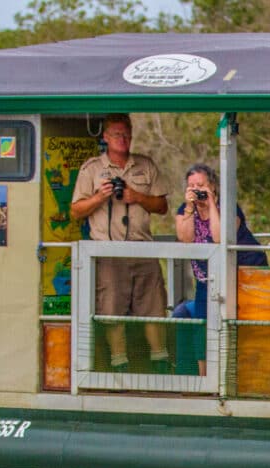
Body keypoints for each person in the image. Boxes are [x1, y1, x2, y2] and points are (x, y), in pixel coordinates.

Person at [70, 113, 171, 370]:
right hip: (108, 251)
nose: (123, 139)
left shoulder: (145, 165)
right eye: (117, 134)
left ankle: (159, 360)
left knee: (153, 306)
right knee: (111, 307)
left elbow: (162, 206)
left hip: (142, 249)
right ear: (105, 137)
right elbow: (76, 211)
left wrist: (136, 196)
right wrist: (99, 197)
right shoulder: (91, 168)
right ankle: (118, 363)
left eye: (126, 134)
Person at [170, 162, 266, 375]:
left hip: (242, 274)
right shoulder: (185, 210)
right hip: (207, 278)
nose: (197, 189)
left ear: (212, 186)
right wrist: (188, 207)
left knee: (236, 322)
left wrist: (211, 203)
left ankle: (237, 374)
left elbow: (220, 237)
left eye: (201, 184)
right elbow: (185, 239)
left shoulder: (229, 207)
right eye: (192, 185)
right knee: (203, 325)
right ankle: (206, 379)